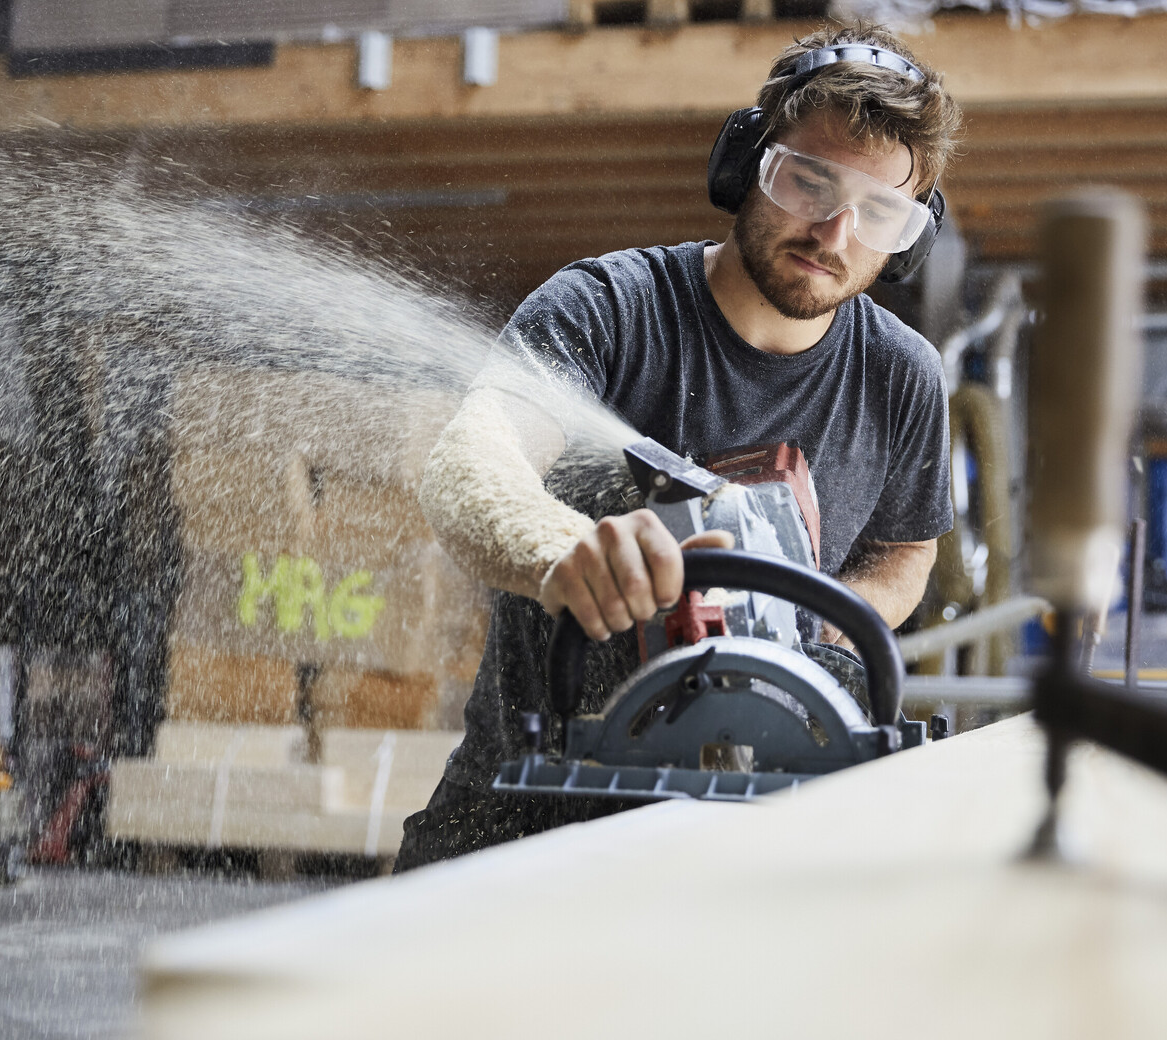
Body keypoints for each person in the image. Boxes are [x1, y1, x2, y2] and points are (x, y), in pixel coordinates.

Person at [394, 22, 962, 872]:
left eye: (879, 213)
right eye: (809, 183)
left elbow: (908, 552)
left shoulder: (903, 375)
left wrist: (811, 624)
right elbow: (472, 459)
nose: (834, 234)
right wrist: (567, 552)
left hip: (760, 837)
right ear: (745, 165)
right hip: (523, 816)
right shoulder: (606, 309)